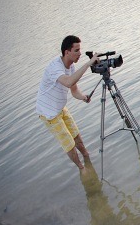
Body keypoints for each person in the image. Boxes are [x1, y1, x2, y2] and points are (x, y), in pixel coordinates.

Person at [36, 35, 99, 170]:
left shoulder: (70, 67)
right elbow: (69, 82)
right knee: (69, 143)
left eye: (80, 50)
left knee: (76, 135)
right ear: (67, 52)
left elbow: (74, 90)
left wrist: (83, 97)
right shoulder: (55, 67)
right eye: (76, 50)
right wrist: (88, 64)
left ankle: (87, 156)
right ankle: (82, 168)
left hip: (60, 108)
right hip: (49, 114)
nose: (80, 53)